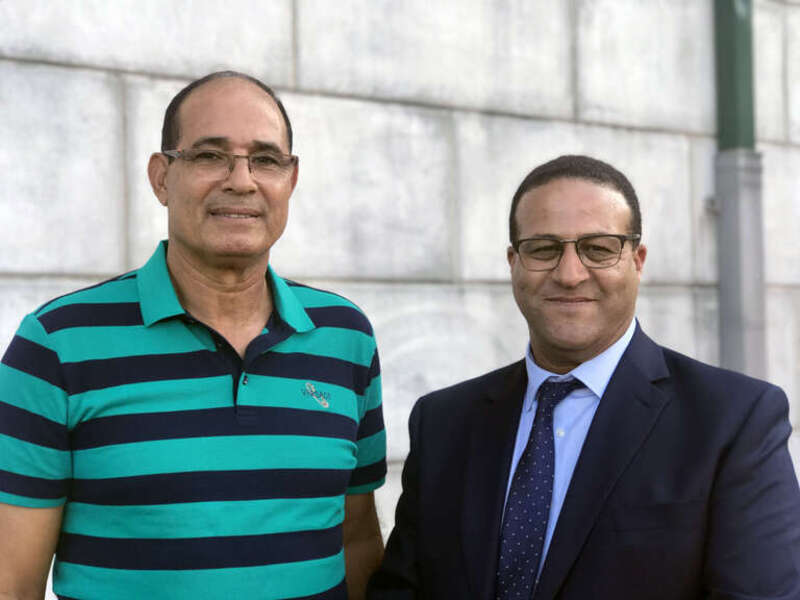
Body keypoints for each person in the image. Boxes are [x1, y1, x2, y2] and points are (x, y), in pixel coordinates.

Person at [0, 71, 386, 600]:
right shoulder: (57, 344)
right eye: (210, 156)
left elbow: (359, 539)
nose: (242, 181)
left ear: (290, 181)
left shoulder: (346, 337)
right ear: (161, 177)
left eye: (266, 160)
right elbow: (11, 581)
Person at [368, 155, 800, 600]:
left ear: (637, 260)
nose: (570, 274)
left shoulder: (734, 421)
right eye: (543, 249)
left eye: (598, 248)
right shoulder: (443, 423)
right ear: (514, 263)